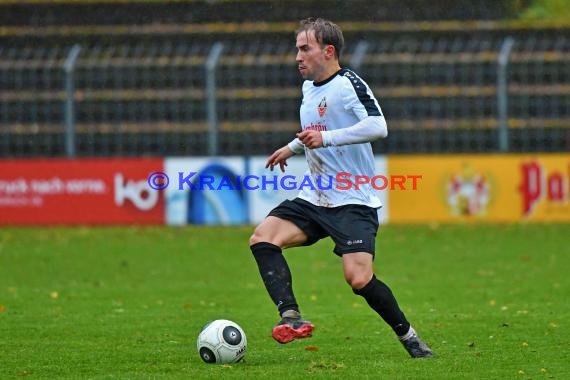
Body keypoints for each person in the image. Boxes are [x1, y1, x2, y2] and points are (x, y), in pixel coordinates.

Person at [249, 17, 433, 358]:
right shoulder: (308, 89)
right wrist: (291, 147)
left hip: (352, 198)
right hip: (315, 197)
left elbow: (378, 126)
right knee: (263, 238)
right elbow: (317, 129)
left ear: (328, 51)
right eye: (297, 49)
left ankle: (409, 337)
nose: (297, 57)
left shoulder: (349, 84)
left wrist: (325, 139)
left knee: (359, 279)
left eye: (305, 49)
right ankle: (290, 315)